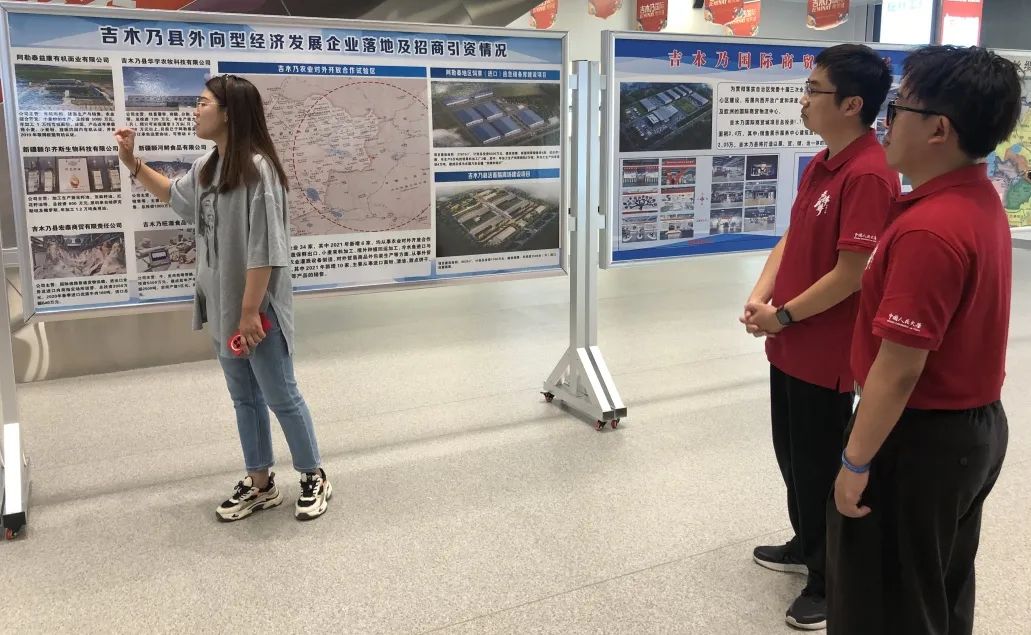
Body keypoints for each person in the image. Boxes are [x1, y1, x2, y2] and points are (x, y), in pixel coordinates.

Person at [828, 45, 1021, 635]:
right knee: (936, 590)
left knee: (886, 606)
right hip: (971, 430)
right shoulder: (976, 199)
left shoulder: (929, 229)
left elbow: (899, 368)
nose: (885, 123)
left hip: (919, 438)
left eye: (898, 108)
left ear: (939, 129)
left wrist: (855, 461)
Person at [114, 74, 332, 522]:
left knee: (280, 394)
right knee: (244, 398)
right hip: (222, 307)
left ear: (229, 113)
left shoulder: (259, 170)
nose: (195, 111)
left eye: (203, 103)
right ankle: (260, 482)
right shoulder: (207, 166)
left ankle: (313, 474)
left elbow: (266, 249)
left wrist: (250, 312)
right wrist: (131, 162)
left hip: (257, 312)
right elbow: (173, 195)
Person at [740, 44, 898, 630]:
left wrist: (782, 316)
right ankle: (805, 542)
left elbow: (852, 274)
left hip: (824, 353)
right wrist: (761, 295)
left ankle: (830, 581)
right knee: (792, 457)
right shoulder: (822, 162)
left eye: (814, 90)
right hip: (789, 343)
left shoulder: (870, 174)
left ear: (852, 104)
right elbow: (792, 237)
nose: (803, 100)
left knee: (817, 467)